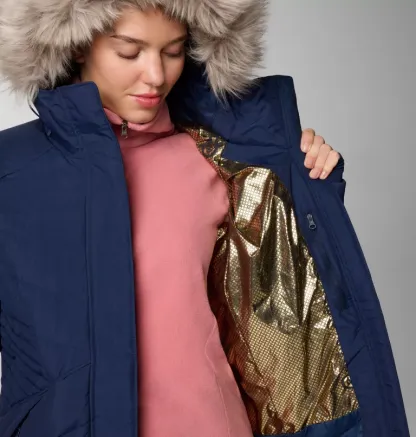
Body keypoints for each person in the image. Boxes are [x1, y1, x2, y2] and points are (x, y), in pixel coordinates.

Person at [0, 1, 409, 437]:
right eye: (129, 52)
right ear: (78, 45)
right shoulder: (12, 171)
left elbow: (284, 298)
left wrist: (310, 187)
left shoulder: (214, 158)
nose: (155, 75)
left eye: (173, 51)